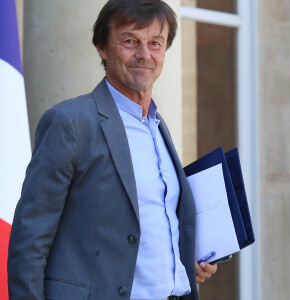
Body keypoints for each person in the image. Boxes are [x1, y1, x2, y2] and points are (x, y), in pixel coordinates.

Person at [7, 1, 217, 299]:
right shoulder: (71, 122)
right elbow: (29, 241)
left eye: (155, 43)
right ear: (102, 47)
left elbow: (149, 226)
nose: (144, 54)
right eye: (130, 41)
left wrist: (183, 264)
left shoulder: (157, 127)